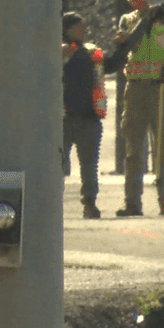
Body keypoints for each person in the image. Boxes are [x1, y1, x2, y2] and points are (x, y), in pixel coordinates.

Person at [114, 0, 164, 217]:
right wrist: (145, 20)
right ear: (129, 1)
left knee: (163, 148)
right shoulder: (127, 21)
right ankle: (132, 203)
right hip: (136, 89)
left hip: (160, 89)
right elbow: (128, 43)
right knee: (134, 150)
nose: (139, 1)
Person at [62, 12, 124, 219]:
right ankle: (53, 204)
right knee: (58, 165)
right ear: (67, 29)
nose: (85, 30)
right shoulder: (56, 52)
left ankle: (89, 203)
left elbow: (112, 65)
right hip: (62, 119)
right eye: (79, 27)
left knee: (89, 165)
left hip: (89, 118)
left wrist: (123, 47)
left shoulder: (91, 53)